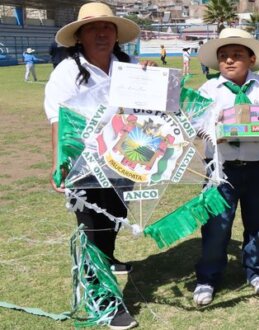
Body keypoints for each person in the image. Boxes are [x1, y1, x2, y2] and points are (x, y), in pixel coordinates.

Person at [43, 2, 151, 329]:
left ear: (116, 34)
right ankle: (103, 301)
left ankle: (108, 258)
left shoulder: (130, 65)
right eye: (93, 28)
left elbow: (150, 109)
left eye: (107, 27)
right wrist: (60, 163)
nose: (101, 33)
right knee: (91, 231)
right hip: (83, 164)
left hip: (124, 160)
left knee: (114, 218)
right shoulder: (66, 73)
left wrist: (153, 81)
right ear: (80, 36)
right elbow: (58, 121)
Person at [191, 28, 259, 306]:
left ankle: (256, 272)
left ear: (251, 59)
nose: (229, 61)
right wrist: (212, 130)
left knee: (258, 222)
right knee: (216, 225)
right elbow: (194, 124)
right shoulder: (208, 90)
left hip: (258, 166)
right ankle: (208, 278)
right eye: (223, 56)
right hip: (220, 169)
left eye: (237, 55)